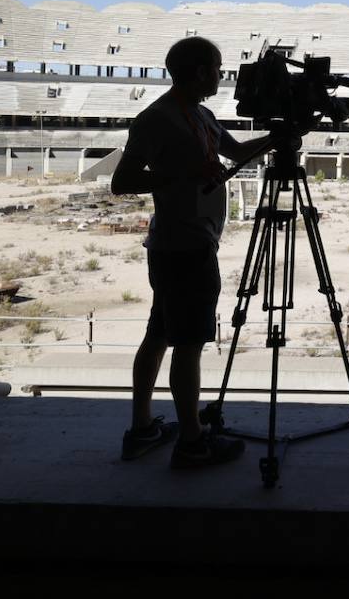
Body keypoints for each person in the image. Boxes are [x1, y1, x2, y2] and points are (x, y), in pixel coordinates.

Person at [112, 37, 277, 468]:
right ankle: (192, 443)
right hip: (181, 245)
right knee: (188, 345)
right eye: (217, 68)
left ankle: (143, 428)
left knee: (160, 335)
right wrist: (178, 174)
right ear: (200, 71)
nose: (221, 76)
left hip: (187, 243)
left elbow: (238, 152)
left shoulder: (201, 116)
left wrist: (279, 136)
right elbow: (123, 182)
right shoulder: (156, 119)